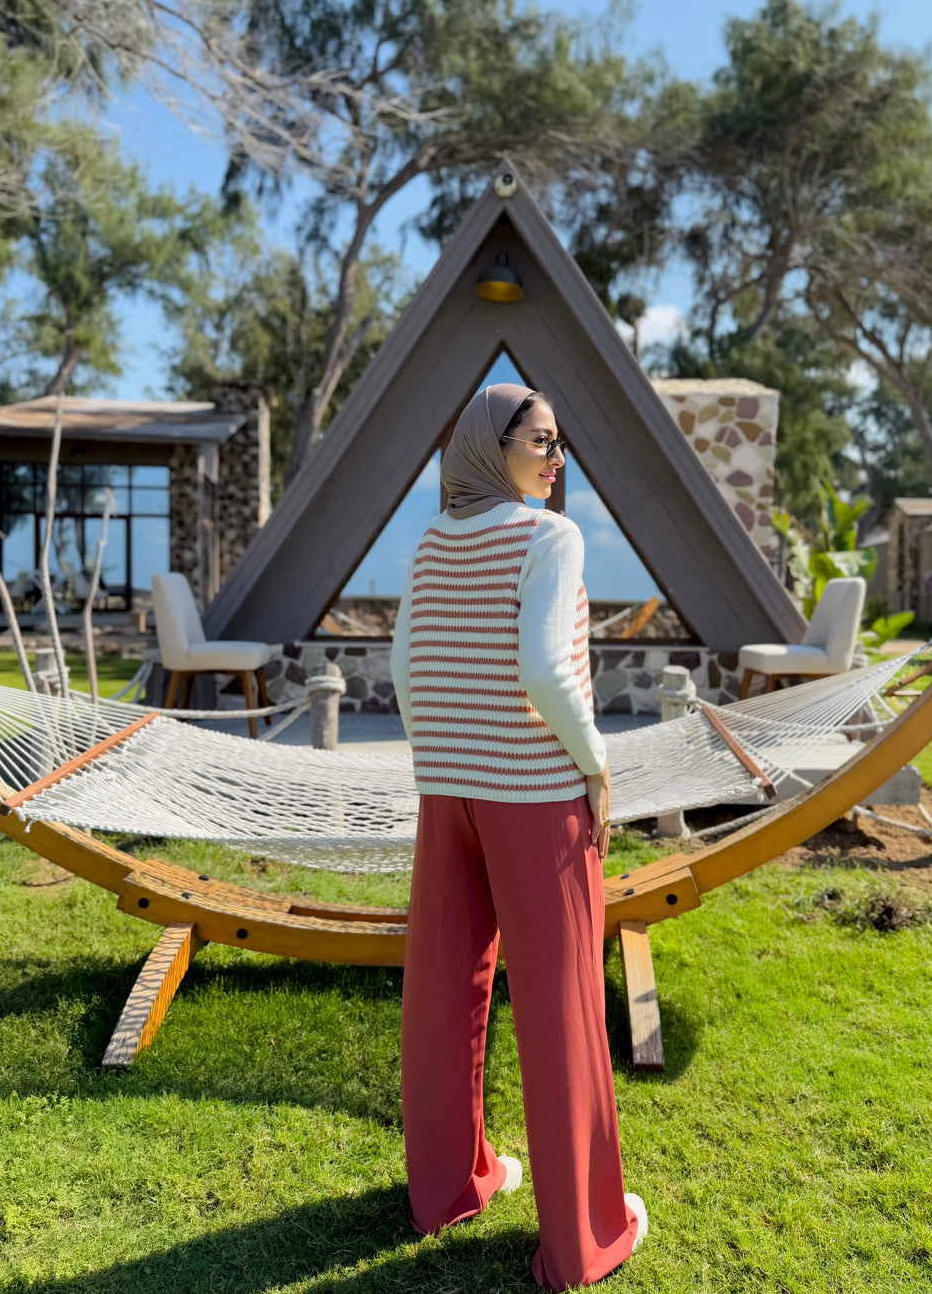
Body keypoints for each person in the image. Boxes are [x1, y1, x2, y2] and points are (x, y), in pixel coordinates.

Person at [391, 382, 647, 1290]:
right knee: (561, 1002)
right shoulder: (550, 536)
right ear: (488, 446)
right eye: (539, 440)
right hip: (536, 797)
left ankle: (447, 1191)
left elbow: (401, 665)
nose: (555, 458)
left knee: (442, 991)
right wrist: (597, 764)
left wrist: (448, 755)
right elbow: (544, 666)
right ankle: (585, 1240)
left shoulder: (431, 542)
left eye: (559, 444)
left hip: (447, 793)